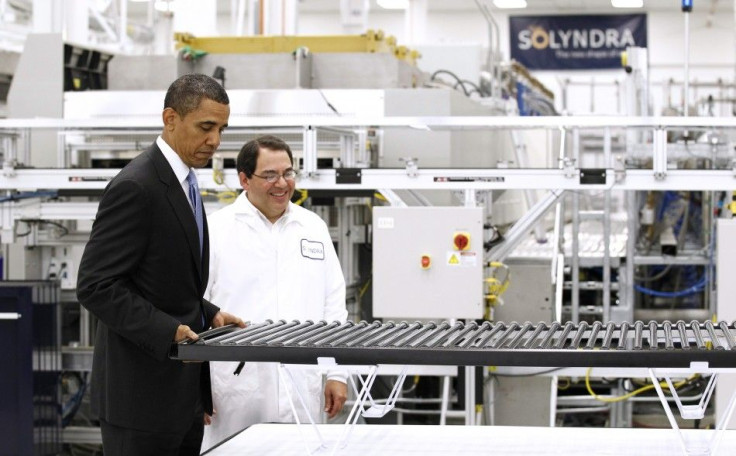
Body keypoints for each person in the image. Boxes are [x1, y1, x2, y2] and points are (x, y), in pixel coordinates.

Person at [76, 73, 245, 456]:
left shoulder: (184, 180)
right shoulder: (137, 186)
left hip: (181, 398)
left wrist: (209, 312)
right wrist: (169, 330)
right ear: (170, 118)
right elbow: (95, 285)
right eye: (206, 127)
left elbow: (161, 278)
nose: (215, 141)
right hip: (140, 402)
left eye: (221, 129)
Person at [201, 135, 348, 450]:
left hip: (301, 385)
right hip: (235, 391)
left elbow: (334, 305)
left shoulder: (313, 228)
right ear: (244, 179)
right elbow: (192, 308)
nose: (282, 183)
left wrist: (337, 373)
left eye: (288, 173)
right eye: (269, 175)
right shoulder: (216, 229)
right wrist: (194, 386)